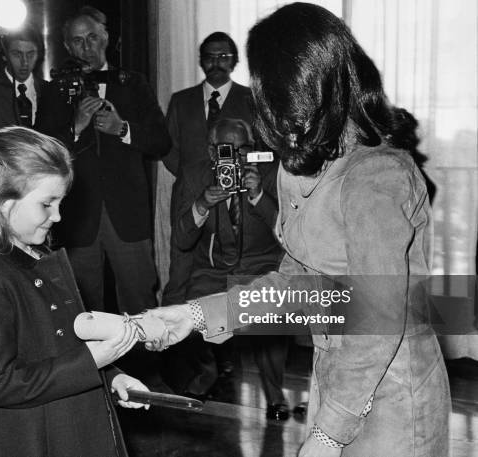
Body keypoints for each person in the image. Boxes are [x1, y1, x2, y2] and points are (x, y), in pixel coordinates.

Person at [147, 3, 451, 456]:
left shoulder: (377, 174)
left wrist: (328, 435)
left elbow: (379, 321)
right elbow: (296, 282)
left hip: (392, 390)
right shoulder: (311, 162)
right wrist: (195, 315)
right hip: (336, 374)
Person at [0, 126, 149, 457]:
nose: (58, 216)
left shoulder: (42, 261)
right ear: (2, 203)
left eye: (61, 203)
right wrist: (92, 361)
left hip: (70, 427)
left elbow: (64, 345)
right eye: (47, 204)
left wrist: (112, 376)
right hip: (28, 437)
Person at [165, 118, 289, 419]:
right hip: (213, 269)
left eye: (243, 149)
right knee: (190, 313)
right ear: (211, 152)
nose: (235, 157)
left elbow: (289, 234)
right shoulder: (194, 175)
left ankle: (274, 393)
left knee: (271, 319)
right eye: (225, 150)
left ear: (254, 148)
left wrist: (259, 196)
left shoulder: (272, 172)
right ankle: (208, 372)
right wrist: (202, 204)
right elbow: (181, 239)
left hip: (260, 266)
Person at [53, 6, 170, 316]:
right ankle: (95, 367)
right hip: (76, 217)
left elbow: (162, 141)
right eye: (77, 41)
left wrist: (122, 128)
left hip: (128, 215)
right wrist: (75, 127)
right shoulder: (55, 89)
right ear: (67, 46)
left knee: (140, 302)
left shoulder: (134, 83)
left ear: (106, 37)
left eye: (92, 37)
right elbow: (44, 148)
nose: (86, 47)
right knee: (80, 308)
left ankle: (144, 366)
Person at [162, 31, 255, 307]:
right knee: (181, 266)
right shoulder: (181, 100)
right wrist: (194, 178)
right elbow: (169, 149)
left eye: (223, 57)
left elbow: (257, 147)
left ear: (235, 61)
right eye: (210, 57)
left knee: (231, 263)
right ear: (201, 61)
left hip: (235, 198)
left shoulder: (251, 99)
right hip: (191, 193)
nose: (217, 62)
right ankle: (177, 335)